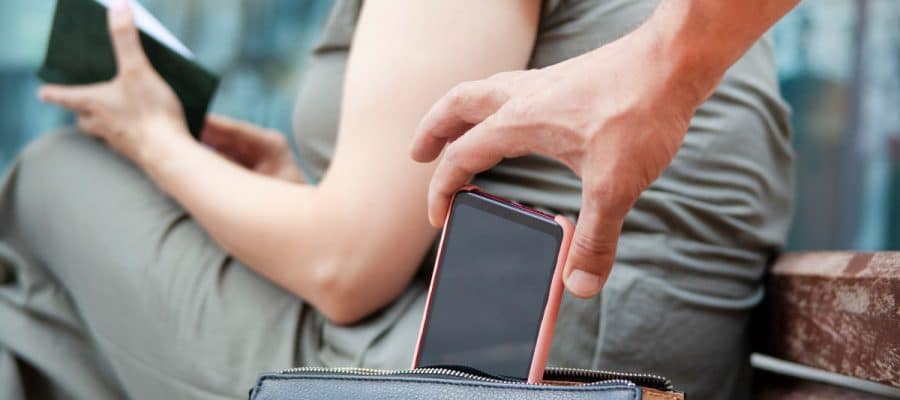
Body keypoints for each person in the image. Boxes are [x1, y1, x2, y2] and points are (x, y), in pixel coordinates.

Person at [0, 1, 794, 400]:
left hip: (493, 369)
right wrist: (292, 180)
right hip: (628, 350)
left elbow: (346, 268)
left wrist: (152, 137)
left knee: (51, 180)